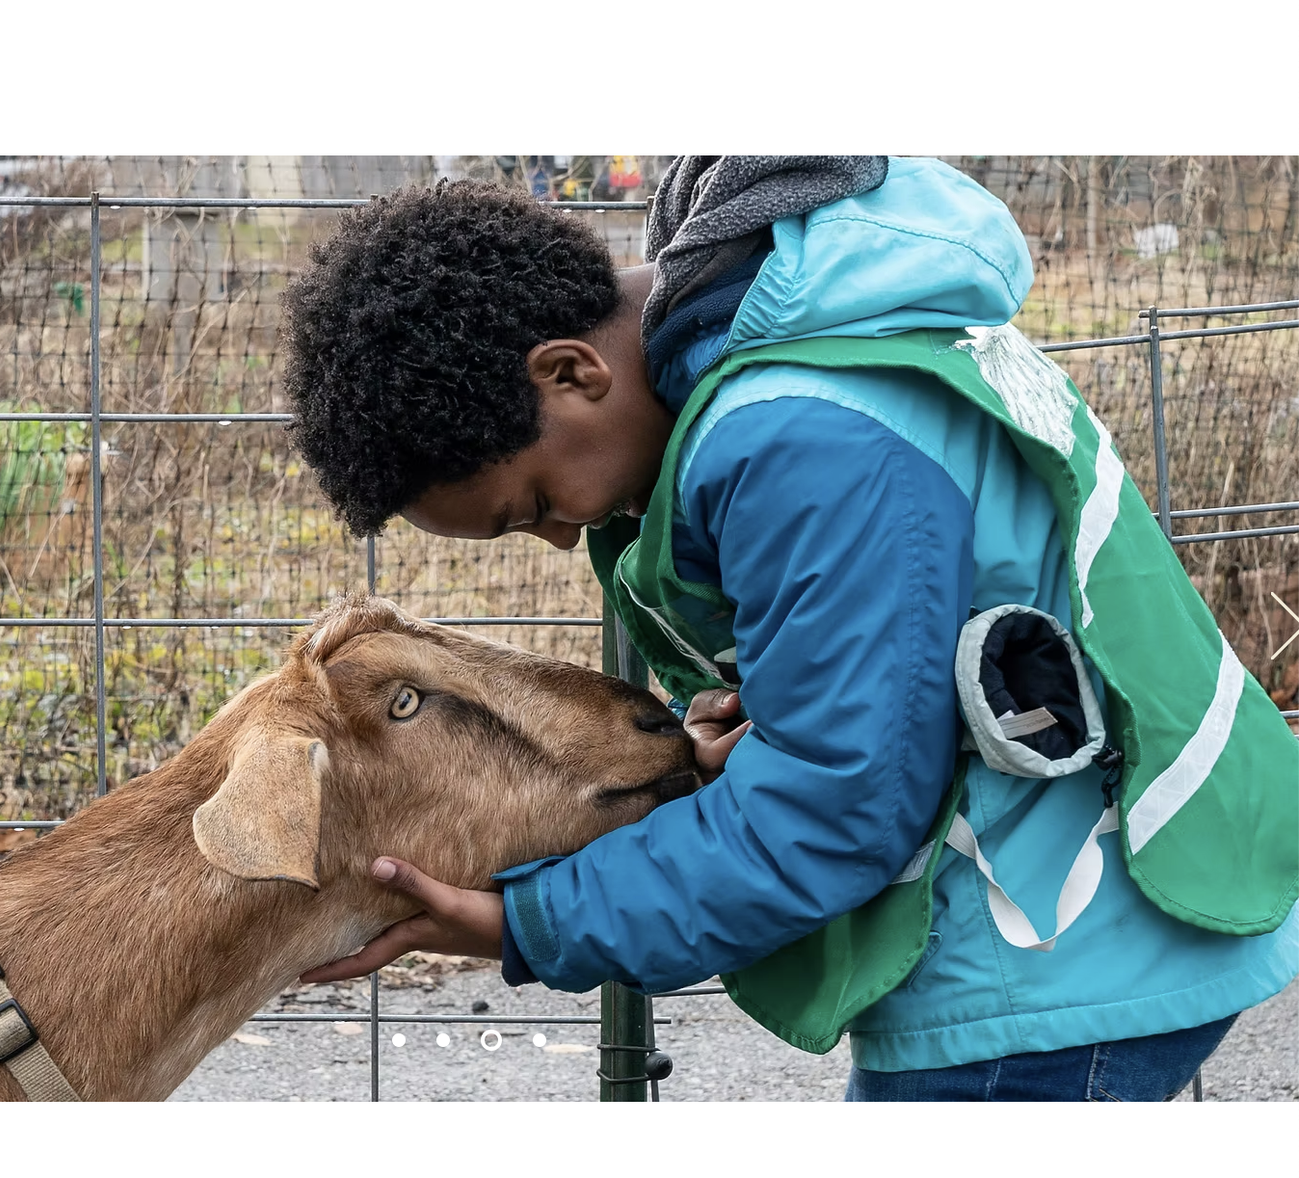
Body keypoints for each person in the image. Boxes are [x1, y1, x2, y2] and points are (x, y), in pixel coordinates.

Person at [278, 157, 1299, 1101]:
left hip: (1046, 960)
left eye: (533, 501)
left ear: (572, 373)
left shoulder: (796, 436)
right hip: (1079, 916)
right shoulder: (815, 332)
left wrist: (526, 922)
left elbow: (833, 805)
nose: (558, 538)